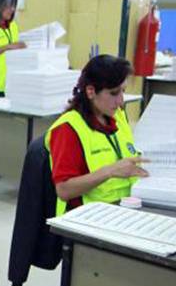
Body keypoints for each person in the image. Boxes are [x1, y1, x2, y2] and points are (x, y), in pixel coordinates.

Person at [45, 54, 149, 216]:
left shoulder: (118, 115)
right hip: (88, 217)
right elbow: (64, 190)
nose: (120, 101)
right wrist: (110, 171)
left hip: (125, 207)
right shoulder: (68, 128)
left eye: (123, 91)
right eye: (114, 93)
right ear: (91, 91)